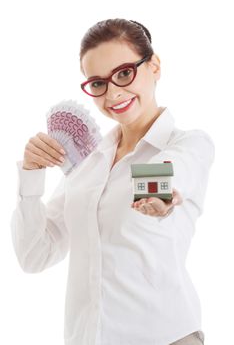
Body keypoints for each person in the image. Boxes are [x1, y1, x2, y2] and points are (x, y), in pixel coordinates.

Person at [10, 18, 215, 345]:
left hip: (165, 337)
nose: (114, 92)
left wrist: (157, 200)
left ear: (154, 65)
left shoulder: (188, 144)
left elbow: (167, 172)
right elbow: (35, 256)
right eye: (98, 83)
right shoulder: (88, 166)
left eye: (124, 73)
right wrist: (32, 177)